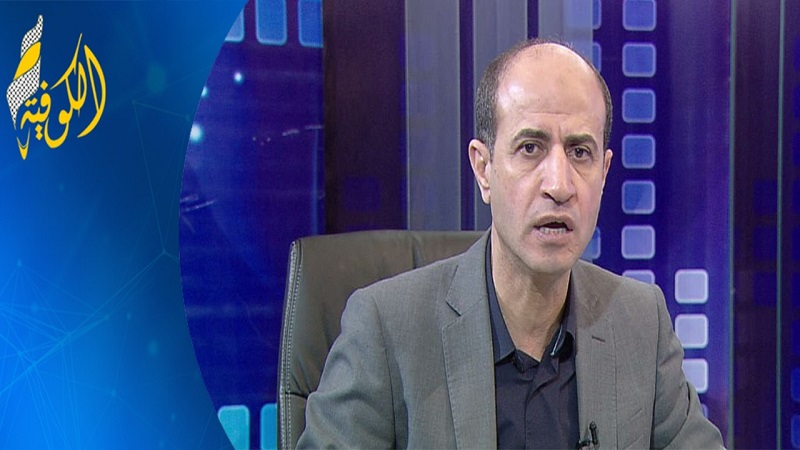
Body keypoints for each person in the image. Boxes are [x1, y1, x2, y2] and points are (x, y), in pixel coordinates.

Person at [297, 39, 725, 449]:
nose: (559, 185)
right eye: (530, 148)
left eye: (580, 152)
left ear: (604, 173)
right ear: (483, 168)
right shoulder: (385, 329)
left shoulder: (641, 323)